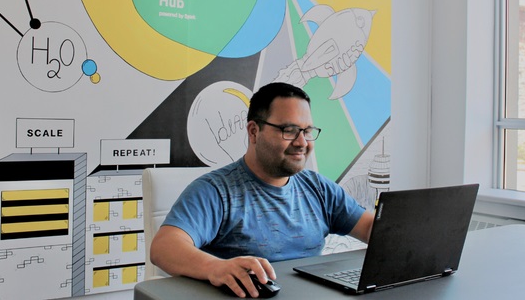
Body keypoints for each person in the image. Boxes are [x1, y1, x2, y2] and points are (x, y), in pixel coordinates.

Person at [150, 82, 374, 298]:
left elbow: (368, 227)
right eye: (289, 130)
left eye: (307, 131)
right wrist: (216, 267)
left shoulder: (319, 188)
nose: (302, 142)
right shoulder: (215, 191)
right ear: (254, 131)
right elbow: (164, 247)